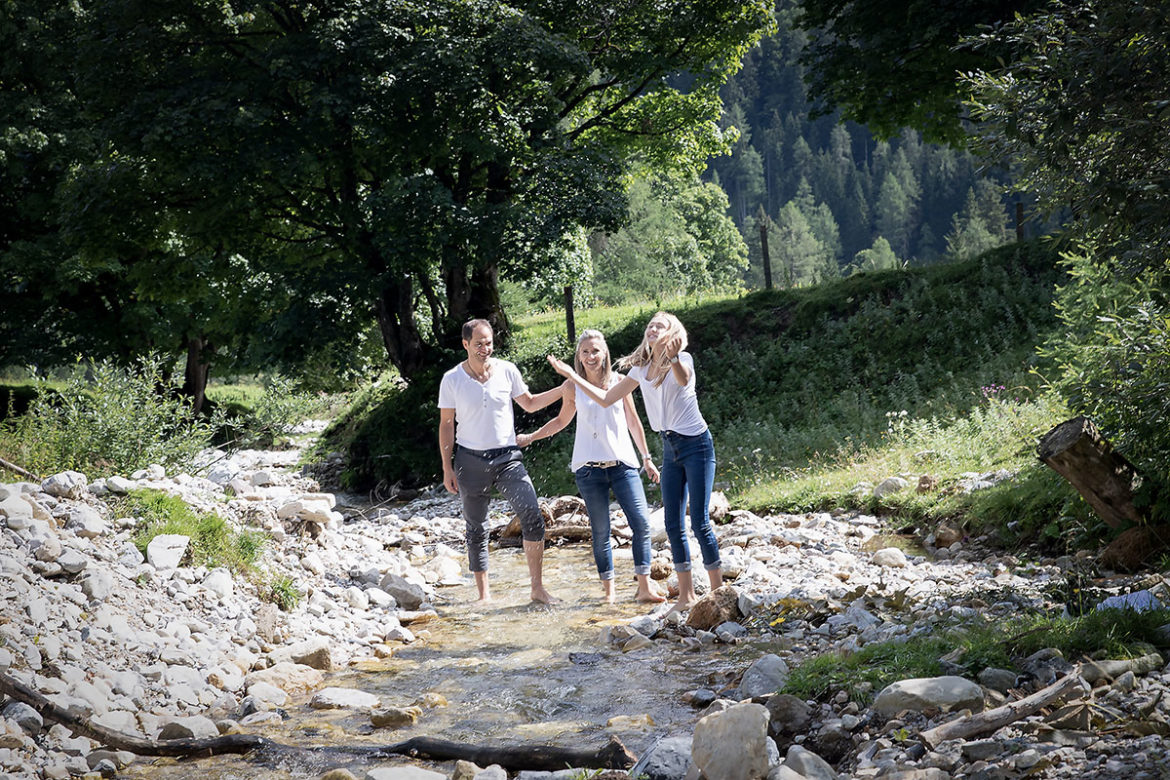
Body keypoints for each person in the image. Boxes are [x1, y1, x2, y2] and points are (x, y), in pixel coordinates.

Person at [548, 312, 721, 612]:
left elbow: (683, 379)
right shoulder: (640, 370)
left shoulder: (684, 360)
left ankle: (719, 594)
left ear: (672, 333)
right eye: (650, 326)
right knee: (672, 523)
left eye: (660, 326)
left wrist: (675, 356)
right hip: (670, 448)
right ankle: (686, 595)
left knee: (700, 522)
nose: (653, 329)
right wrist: (573, 377)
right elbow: (605, 399)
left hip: (696, 445)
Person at [517, 329, 666, 604]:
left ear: (605, 352)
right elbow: (561, 421)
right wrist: (531, 437)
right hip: (588, 469)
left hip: (623, 465)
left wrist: (646, 457)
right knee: (600, 531)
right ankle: (609, 594)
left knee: (642, 524)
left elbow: (633, 421)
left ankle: (643, 588)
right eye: (584, 352)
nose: (590, 356)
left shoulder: (620, 382)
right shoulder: (572, 387)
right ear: (578, 357)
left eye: (595, 351)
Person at [438, 318, 561, 605]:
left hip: (508, 458)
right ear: (465, 344)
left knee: (532, 514)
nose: (485, 348)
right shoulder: (452, 379)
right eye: (479, 343)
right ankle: (484, 595)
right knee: (476, 527)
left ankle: (537, 589)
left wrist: (562, 389)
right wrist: (446, 466)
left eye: (489, 342)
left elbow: (529, 403)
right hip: (469, 461)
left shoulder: (507, 370)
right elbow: (446, 424)